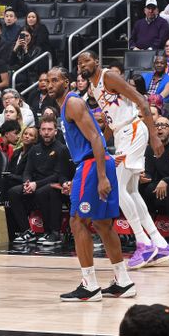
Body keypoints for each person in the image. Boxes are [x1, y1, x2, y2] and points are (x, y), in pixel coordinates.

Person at [78, 51, 169, 268]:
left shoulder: (109, 77)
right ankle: (159, 243)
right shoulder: (93, 87)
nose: (82, 65)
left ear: (96, 61)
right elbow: (112, 120)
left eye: (86, 60)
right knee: (131, 191)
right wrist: (102, 142)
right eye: (79, 63)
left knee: (116, 188)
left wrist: (153, 136)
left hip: (132, 130)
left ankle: (143, 243)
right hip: (123, 133)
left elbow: (141, 100)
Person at [47, 67, 135, 302]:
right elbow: (99, 133)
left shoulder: (72, 103)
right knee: (103, 224)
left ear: (66, 82)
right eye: (47, 80)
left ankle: (89, 285)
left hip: (91, 165)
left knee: (78, 222)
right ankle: (123, 281)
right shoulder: (66, 105)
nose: (50, 83)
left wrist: (102, 177)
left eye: (55, 79)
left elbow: (96, 139)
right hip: (96, 163)